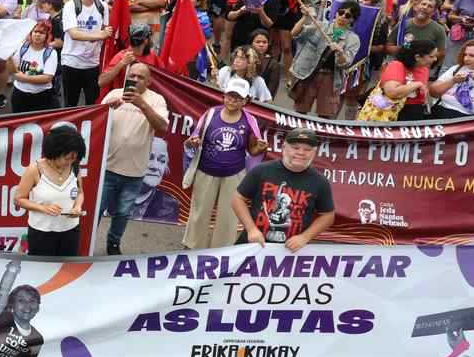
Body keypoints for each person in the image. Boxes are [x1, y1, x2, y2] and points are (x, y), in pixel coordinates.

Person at [183, 77, 266, 249]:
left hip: (234, 175)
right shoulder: (210, 114)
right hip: (206, 171)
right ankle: (191, 248)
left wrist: (260, 148)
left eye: (237, 98)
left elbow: (252, 151)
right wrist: (193, 142)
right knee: (199, 213)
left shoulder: (249, 121)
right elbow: (194, 139)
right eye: (229, 96)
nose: (232, 100)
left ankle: (222, 251)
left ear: (245, 101)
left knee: (228, 217)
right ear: (223, 95)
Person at [99, 62, 168, 255]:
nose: (135, 80)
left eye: (140, 77)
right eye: (132, 75)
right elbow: (94, 124)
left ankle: (113, 243)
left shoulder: (156, 100)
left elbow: (162, 127)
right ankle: (86, 243)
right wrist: (107, 111)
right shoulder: (113, 95)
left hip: (135, 171)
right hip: (107, 167)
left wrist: (142, 104)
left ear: (149, 81)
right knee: (97, 210)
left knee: (122, 213)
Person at [232, 126, 335, 251]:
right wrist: (251, 229)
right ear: (284, 147)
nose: (301, 153)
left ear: (314, 152)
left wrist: (304, 237)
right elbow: (238, 198)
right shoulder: (261, 170)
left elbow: (327, 215)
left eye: (307, 149)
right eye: (295, 147)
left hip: (291, 252)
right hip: (253, 245)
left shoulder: (320, 182)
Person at [13, 124, 87, 256]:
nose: (70, 162)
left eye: (74, 158)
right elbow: (19, 199)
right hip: (42, 232)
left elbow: (80, 193)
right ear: (55, 152)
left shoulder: (74, 167)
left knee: (66, 269)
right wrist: (44, 209)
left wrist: (77, 207)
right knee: (41, 271)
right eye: (67, 158)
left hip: (70, 230)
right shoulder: (34, 169)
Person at [289, 3, 360, 119]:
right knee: (299, 111)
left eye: (348, 15)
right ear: (336, 13)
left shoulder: (353, 39)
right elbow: (294, 34)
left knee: (325, 115)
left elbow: (346, 63)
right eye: (341, 12)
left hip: (330, 78)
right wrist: (304, 17)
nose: (343, 17)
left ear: (352, 20)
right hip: (309, 73)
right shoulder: (320, 26)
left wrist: (340, 52)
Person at [60, 0, 109, 106]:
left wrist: (106, 33)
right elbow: (74, 34)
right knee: (70, 105)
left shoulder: (102, 6)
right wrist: (98, 35)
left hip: (93, 63)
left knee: (92, 104)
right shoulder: (71, 5)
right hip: (71, 62)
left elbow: (105, 31)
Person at [377, 38, 435, 122]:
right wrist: (417, 84)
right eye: (431, 56)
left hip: (415, 112)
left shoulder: (424, 69)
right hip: (394, 113)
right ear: (417, 57)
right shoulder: (396, 66)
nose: (435, 59)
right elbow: (392, 92)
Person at [8, 21, 59, 113]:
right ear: (31, 33)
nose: (37, 35)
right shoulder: (23, 47)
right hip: (20, 95)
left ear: (47, 36)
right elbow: (13, 69)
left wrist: (24, 78)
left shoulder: (51, 53)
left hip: (42, 97)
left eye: (42, 33)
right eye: (35, 31)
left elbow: (47, 78)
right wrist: (8, 58)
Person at [431, 38, 474, 118]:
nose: (466, 59)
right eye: (465, 54)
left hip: (468, 121)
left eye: (472, 56)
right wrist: (452, 81)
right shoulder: (456, 68)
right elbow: (433, 93)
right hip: (442, 113)